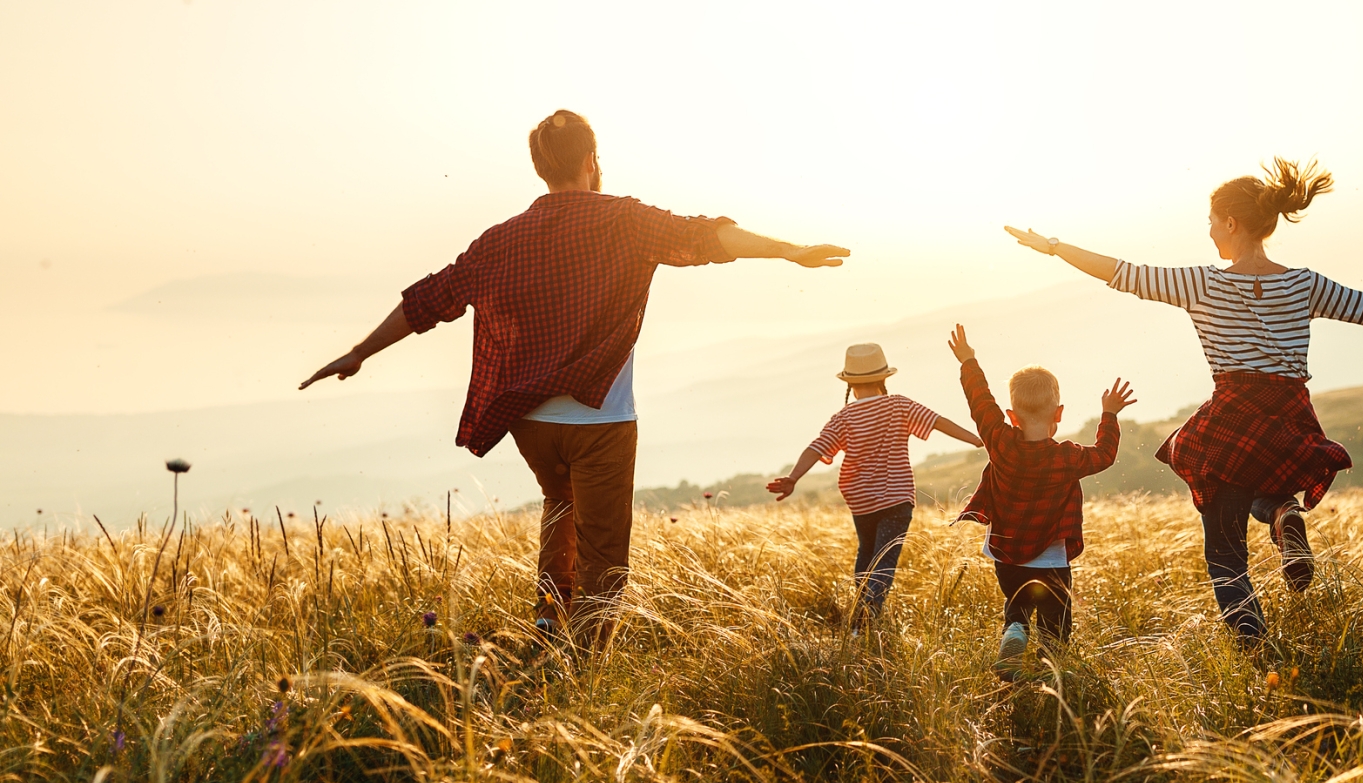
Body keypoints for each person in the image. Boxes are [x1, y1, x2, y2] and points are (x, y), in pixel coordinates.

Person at [300, 110, 849, 647]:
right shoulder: (625, 220)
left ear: (541, 168)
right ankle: (584, 665)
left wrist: (358, 352)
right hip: (601, 422)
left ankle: (548, 620)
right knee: (604, 551)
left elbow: (430, 299)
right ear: (592, 160)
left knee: (559, 505)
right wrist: (789, 251)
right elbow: (707, 237)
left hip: (530, 423)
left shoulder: (500, 239)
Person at [1003, 157, 1363, 648]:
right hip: (1290, 414)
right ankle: (1283, 514)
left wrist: (1052, 247)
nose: (1207, 233)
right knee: (1257, 486)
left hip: (1233, 412)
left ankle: (1255, 649)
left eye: (1210, 223)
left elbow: (1120, 271)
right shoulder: (1303, 283)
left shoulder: (1202, 283)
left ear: (1230, 222)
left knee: (1224, 552)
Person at [946, 324, 1131, 680]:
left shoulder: (1000, 441)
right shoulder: (1067, 457)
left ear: (1011, 416)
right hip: (1050, 556)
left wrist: (968, 361)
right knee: (1055, 621)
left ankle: (1015, 628)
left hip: (1005, 552)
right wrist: (1109, 415)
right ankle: (1051, 672)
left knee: (1017, 602)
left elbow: (980, 402)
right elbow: (1105, 454)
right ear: (1058, 414)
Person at [765, 343, 983, 629]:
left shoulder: (843, 418)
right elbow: (938, 422)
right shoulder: (899, 405)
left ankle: (859, 619)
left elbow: (816, 448)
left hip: (860, 501)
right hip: (896, 498)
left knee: (866, 553)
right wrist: (977, 439)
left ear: (851, 384)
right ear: (883, 378)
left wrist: (793, 478)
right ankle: (867, 617)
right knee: (885, 559)